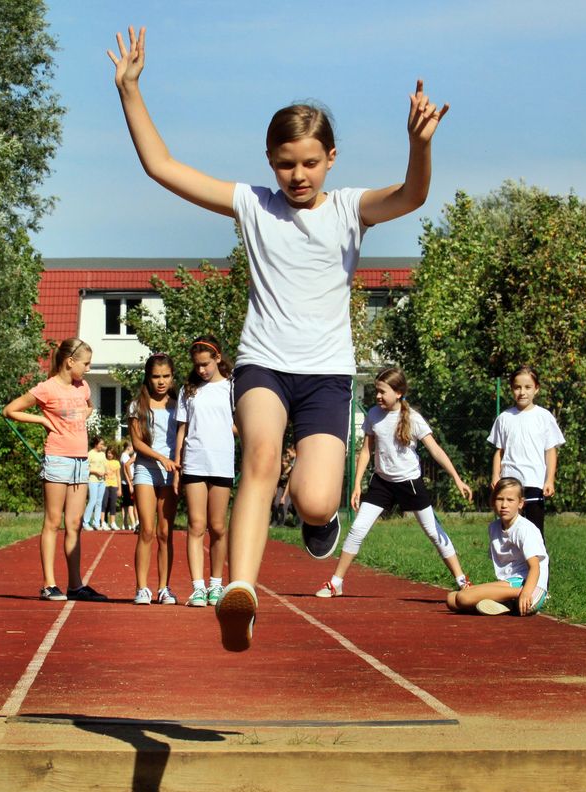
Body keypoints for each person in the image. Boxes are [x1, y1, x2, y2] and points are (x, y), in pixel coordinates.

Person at [109, 26, 449, 650]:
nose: (298, 175)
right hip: (263, 362)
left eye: (310, 163)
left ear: (331, 159)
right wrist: (131, 90)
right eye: (286, 163)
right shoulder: (253, 205)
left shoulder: (350, 209)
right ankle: (240, 592)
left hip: (326, 375)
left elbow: (413, 194)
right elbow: (162, 168)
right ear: (270, 162)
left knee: (318, 503)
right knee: (260, 458)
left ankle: (318, 520)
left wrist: (418, 145)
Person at [316, 368, 472, 598]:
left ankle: (462, 581)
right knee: (358, 529)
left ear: (398, 393)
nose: (377, 396)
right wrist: (358, 484)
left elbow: (436, 450)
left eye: (382, 391)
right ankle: (336, 583)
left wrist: (457, 479)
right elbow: (367, 451)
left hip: (409, 483)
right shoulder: (373, 415)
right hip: (382, 483)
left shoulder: (414, 419)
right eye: (376, 391)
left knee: (433, 531)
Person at [3, 338, 106, 603]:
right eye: (85, 363)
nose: (88, 369)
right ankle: (49, 584)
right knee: (52, 521)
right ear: (70, 361)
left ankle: (75, 585)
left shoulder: (82, 386)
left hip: (80, 462)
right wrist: (42, 419)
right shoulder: (46, 388)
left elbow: (89, 405)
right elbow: (10, 410)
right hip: (58, 459)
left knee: (75, 524)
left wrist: (86, 413)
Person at [174, 336, 236, 608]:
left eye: (206, 364)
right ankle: (198, 588)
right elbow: (182, 428)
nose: (201, 370)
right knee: (196, 526)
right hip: (194, 462)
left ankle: (216, 584)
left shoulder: (233, 387)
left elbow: (241, 423)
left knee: (219, 526)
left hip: (221, 462)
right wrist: (177, 463)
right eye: (197, 365)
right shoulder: (188, 390)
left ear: (218, 358)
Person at [447, 478, 550, 617]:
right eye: (500, 499)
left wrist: (526, 592)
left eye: (510, 500)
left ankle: (520, 598)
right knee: (452, 599)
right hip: (510, 583)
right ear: (493, 502)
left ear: (520, 503)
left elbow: (535, 567)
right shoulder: (494, 527)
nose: (504, 505)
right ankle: (507, 604)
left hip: (528, 584)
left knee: (463, 598)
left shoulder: (524, 529)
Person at [487, 365, 565, 536]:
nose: (522, 392)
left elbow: (550, 451)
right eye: (517, 387)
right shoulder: (504, 418)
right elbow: (499, 451)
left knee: (535, 532)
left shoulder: (544, 417)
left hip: (534, 482)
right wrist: (495, 476)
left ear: (536, 389)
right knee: (510, 531)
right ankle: (512, 562)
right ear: (512, 389)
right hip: (510, 482)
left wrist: (549, 480)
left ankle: (539, 563)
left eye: (527, 387)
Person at [129, 353, 179, 605]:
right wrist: (160, 457)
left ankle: (164, 588)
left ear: (172, 377)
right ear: (148, 378)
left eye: (166, 376)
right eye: (156, 376)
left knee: (165, 532)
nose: (161, 382)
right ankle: (141, 588)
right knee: (146, 529)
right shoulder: (137, 405)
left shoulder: (180, 403)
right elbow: (137, 442)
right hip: (146, 470)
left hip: (172, 472)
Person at [82, 437, 108, 530]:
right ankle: (85, 522)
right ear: (96, 444)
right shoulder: (90, 454)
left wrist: (106, 471)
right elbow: (85, 468)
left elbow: (105, 465)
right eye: (101, 444)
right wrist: (96, 472)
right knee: (92, 501)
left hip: (102, 481)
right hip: (93, 480)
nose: (102, 446)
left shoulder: (102, 454)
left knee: (99, 502)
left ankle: (96, 523)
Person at [119, 440, 138, 530]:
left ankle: (125, 523)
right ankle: (134, 524)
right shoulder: (125, 457)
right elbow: (125, 471)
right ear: (129, 447)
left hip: (126, 483)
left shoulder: (125, 456)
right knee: (130, 504)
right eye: (132, 448)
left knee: (126, 504)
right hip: (127, 483)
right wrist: (130, 483)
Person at [103, 444, 122, 531]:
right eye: (108, 453)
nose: (109, 454)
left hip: (114, 485)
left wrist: (119, 488)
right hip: (105, 485)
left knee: (112, 505)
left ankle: (113, 523)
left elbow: (118, 476)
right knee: (104, 504)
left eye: (111, 453)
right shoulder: (104, 461)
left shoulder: (117, 463)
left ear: (114, 454)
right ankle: (103, 522)